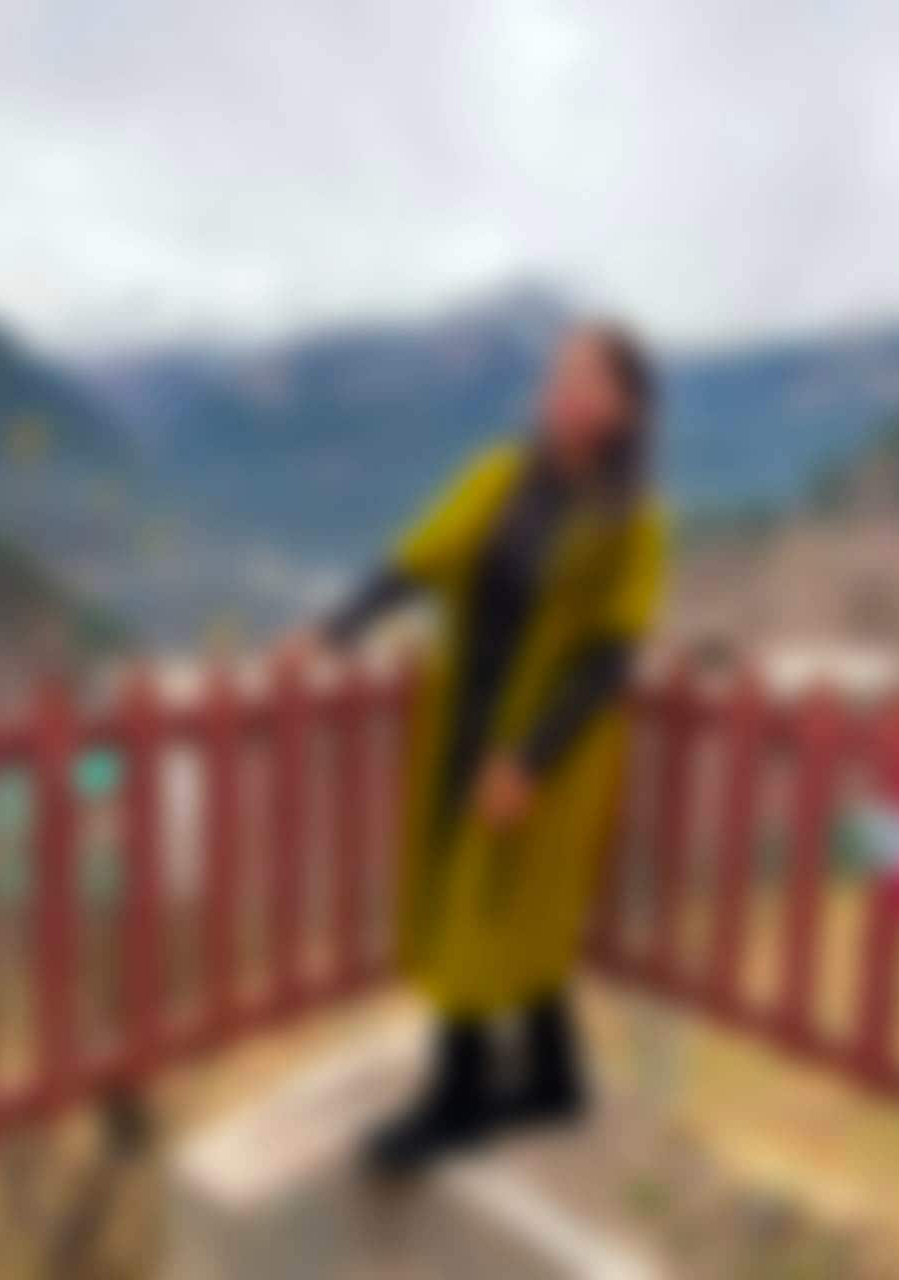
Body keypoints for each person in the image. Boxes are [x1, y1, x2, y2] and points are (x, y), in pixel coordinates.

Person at [283, 322, 667, 1175]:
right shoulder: (498, 478)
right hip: (466, 721)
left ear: (626, 409)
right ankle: (554, 1080)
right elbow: (415, 562)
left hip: (550, 750)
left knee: (492, 904)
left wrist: (529, 763)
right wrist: (334, 629)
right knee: (501, 903)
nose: (562, 387)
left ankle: (455, 1103)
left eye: (586, 377)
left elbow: (609, 660)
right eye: (559, 370)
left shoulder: (632, 523)